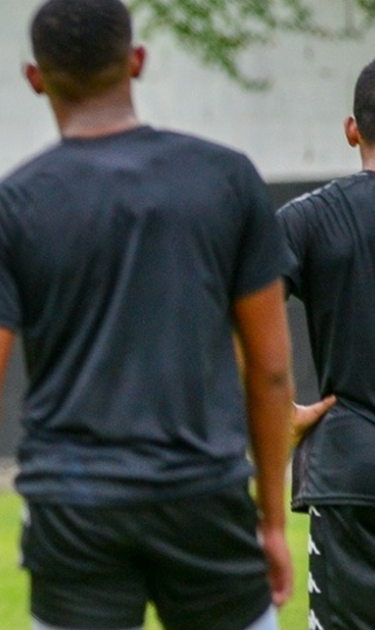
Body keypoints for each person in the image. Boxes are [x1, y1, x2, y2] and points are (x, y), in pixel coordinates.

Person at [0, 1, 296, 629]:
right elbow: (270, 373)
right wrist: (269, 521)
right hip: (204, 500)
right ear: (137, 61)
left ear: (34, 77)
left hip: (73, 510)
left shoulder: (4, 209)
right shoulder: (228, 180)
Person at [276, 57, 375, 630]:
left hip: (352, 477)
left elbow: (233, 315)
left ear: (352, 129)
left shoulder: (306, 222)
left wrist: (272, 412)